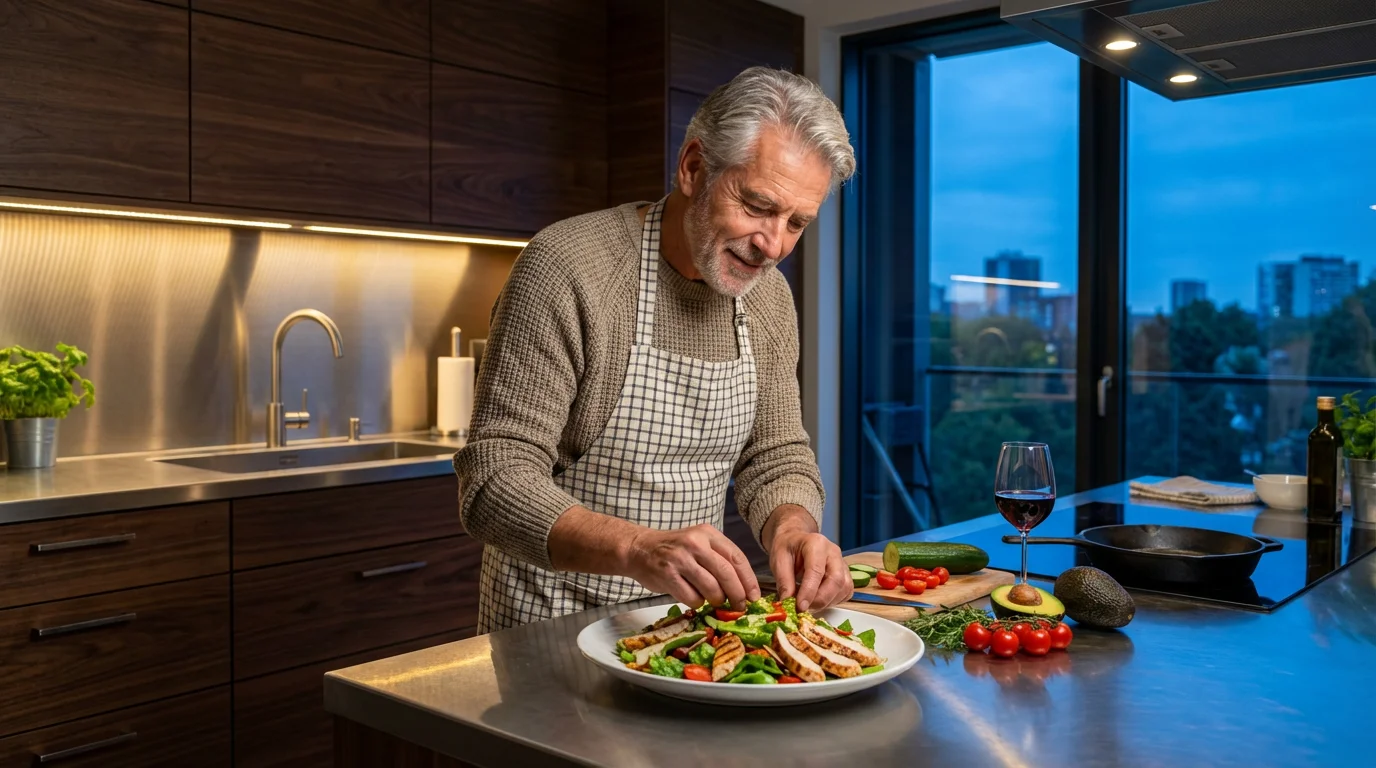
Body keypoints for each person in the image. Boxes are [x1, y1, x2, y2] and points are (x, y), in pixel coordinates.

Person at [453, 66, 857, 633]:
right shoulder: (570, 269)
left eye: (797, 223)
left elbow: (776, 453)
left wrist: (792, 528)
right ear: (694, 168)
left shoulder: (769, 300)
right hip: (547, 628)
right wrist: (635, 548)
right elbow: (494, 479)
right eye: (758, 206)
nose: (773, 245)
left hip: (685, 630)